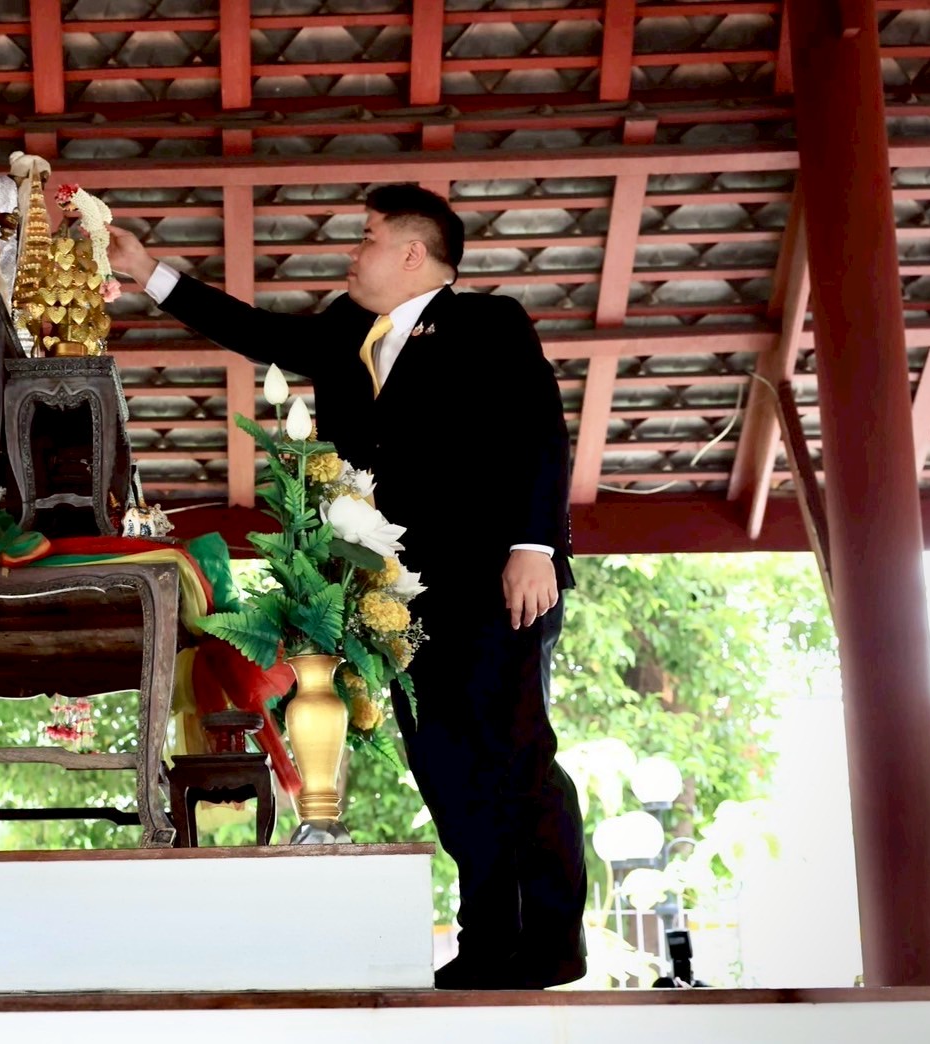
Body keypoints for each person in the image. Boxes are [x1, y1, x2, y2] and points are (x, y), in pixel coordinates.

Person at [106, 183, 587, 990]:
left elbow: (537, 427)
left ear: (413, 252)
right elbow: (258, 332)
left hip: (494, 578)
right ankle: (487, 943)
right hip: (393, 596)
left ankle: (550, 943)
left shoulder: (486, 321)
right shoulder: (345, 330)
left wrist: (533, 546)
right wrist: (151, 272)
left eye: (366, 238)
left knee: (512, 751)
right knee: (442, 763)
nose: (352, 255)